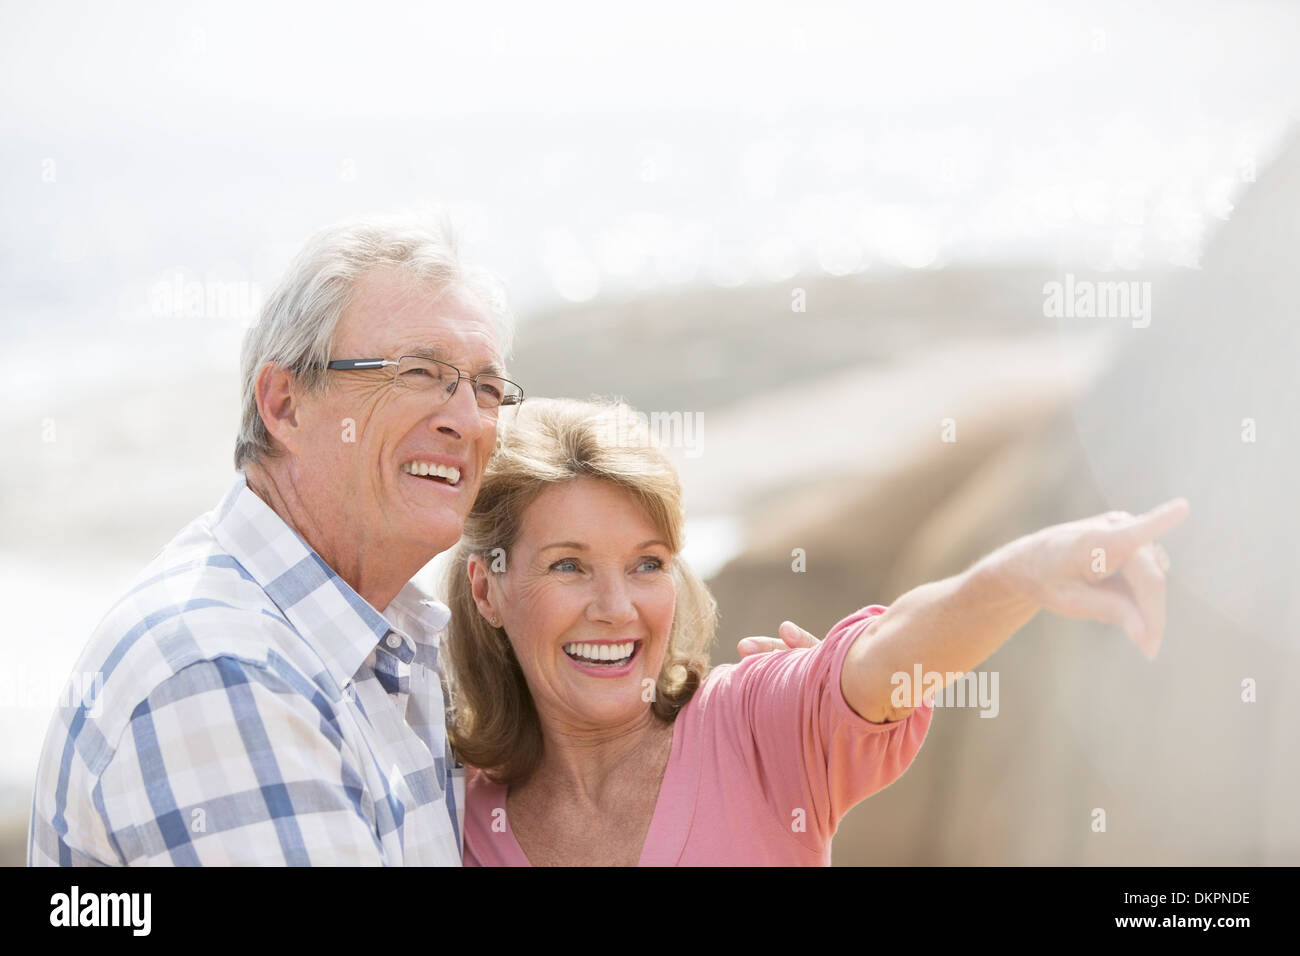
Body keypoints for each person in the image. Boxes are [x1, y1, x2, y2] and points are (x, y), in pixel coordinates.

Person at [447, 397, 1189, 866]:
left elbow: (889, 656)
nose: (616, 607)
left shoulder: (754, 726)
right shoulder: (452, 814)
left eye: (647, 565)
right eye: (569, 567)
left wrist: (1020, 574)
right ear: (487, 588)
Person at [28, 212, 525, 865]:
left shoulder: (388, 638)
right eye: (417, 372)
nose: (466, 420)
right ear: (284, 403)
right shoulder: (223, 673)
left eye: (486, 388)